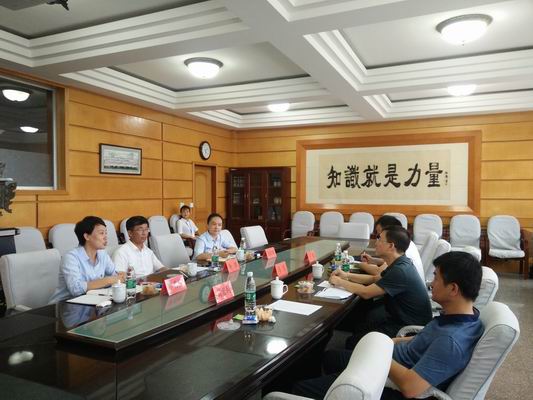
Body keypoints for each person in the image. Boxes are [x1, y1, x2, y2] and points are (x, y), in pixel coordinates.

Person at [293, 251, 483, 400]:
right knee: (330, 358)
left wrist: (379, 352)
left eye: (436, 278)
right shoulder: (464, 317)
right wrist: (390, 342)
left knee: (299, 388)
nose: (431, 284)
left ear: (453, 289)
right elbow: (426, 338)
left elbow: (410, 388)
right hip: (390, 360)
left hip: (386, 380)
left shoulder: (450, 342)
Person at [330, 225, 432, 348]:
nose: (376, 242)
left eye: (379, 239)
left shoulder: (400, 270)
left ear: (391, 246)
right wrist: (346, 275)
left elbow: (366, 293)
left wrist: (340, 282)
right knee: (359, 326)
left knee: (353, 342)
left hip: (407, 328)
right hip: (398, 317)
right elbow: (374, 279)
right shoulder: (400, 262)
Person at [49, 216, 124, 303]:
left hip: (90, 301)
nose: (105, 237)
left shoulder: (102, 254)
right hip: (63, 305)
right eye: (101, 233)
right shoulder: (71, 257)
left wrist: (120, 277)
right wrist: (108, 280)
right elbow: (75, 289)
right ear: (87, 236)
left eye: (106, 233)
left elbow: (116, 276)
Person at [359, 215, 425, 284]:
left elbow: (378, 272)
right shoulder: (405, 243)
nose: (377, 241)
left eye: (379, 236)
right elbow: (390, 263)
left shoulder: (402, 249)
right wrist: (373, 260)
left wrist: (360, 264)